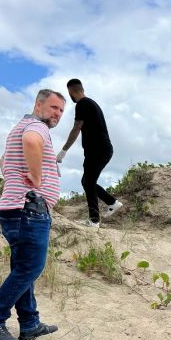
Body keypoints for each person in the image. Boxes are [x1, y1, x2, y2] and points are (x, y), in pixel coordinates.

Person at [0, 89, 66, 340]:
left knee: (22, 267)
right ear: (38, 105)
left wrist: (14, 179)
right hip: (29, 209)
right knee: (31, 267)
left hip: (13, 208)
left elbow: (3, 160)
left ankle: (30, 324)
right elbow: (31, 141)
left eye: (61, 110)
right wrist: (36, 179)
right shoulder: (36, 127)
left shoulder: (19, 126)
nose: (57, 114)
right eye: (53, 107)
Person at [56, 79, 122, 228]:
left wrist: (64, 150)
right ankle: (112, 203)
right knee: (87, 181)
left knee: (88, 182)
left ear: (71, 91)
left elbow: (76, 128)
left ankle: (94, 221)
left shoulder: (82, 104)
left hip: (97, 150)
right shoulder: (91, 103)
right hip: (101, 149)